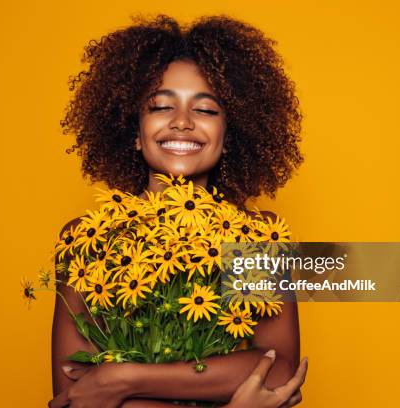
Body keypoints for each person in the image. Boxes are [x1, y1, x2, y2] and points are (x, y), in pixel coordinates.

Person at [51, 15, 307, 407]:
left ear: (229, 135)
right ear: (134, 133)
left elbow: (277, 369)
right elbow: (75, 395)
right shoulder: (90, 237)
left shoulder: (254, 236)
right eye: (160, 106)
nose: (183, 122)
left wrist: (121, 379)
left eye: (205, 110)